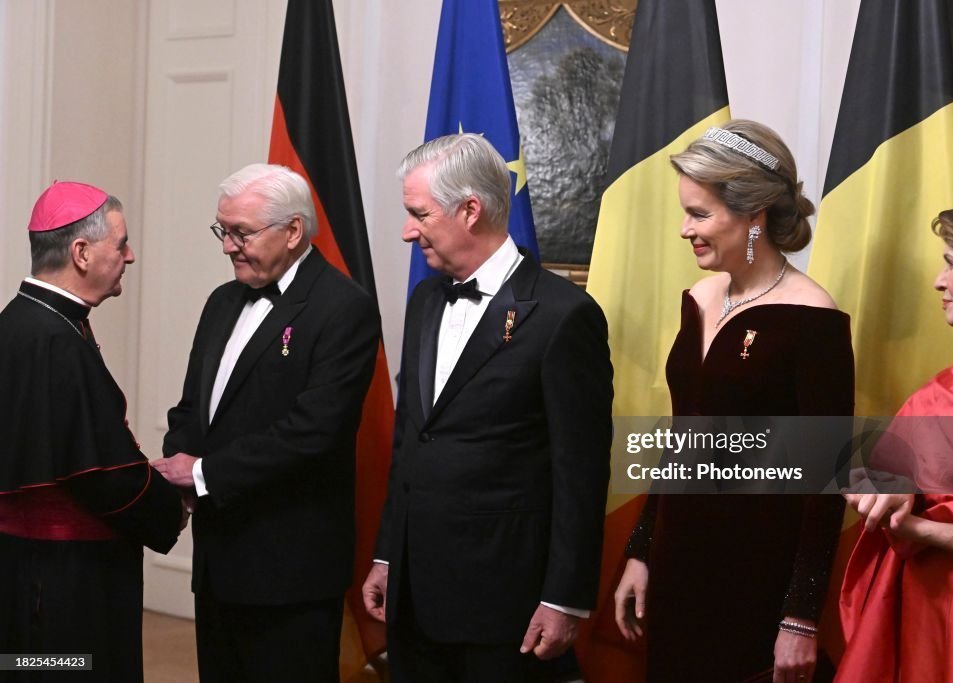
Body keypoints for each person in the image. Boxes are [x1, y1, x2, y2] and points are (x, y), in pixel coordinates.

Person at [361, 133, 613, 683]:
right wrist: (387, 555)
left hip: (503, 603)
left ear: (470, 210)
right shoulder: (426, 300)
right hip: (414, 595)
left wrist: (565, 598)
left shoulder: (564, 315)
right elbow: (411, 441)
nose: (407, 231)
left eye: (419, 214)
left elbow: (582, 472)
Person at [613, 120, 855, 682]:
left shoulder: (814, 318)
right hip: (677, 562)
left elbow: (826, 479)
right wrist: (642, 550)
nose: (684, 230)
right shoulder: (699, 297)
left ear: (754, 215)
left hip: (756, 573)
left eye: (699, 215)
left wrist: (800, 617)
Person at [154, 164, 380, 682]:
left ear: (293, 230)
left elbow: (314, 432)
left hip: (290, 572)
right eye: (223, 229)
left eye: (241, 232)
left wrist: (203, 473)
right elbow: (192, 408)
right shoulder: (221, 301)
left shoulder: (344, 308)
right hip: (218, 561)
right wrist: (180, 472)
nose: (227, 246)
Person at [0, 182, 184, 682]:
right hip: (67, 582)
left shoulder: (20, 322)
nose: (130, 256)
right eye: (120, 244)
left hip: (22, 571)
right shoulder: (55, 339)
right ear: (81, 253)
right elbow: (101, 473)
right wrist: (171, 504)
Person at [837, 197, 953, 682]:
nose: (940, 281)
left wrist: (917, 528)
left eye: (952, 264)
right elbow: (885, 482)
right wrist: (890, 491)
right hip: (924, 616)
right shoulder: (948, 388)